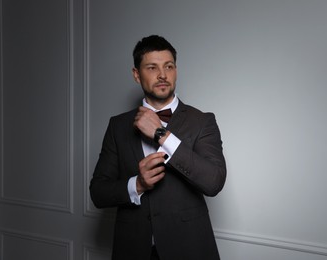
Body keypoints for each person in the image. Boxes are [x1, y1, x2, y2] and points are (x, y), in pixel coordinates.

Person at [90, 35, 226, 260]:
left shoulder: (202, 121)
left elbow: (213, 182)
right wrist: (138, 184)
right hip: (133, 250)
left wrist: (161, 135)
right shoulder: (118, 126)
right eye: (152, 67)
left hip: (189, 249)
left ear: (176, 70)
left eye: (169, 66)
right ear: (136, 75)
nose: (162, 75)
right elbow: (98, 192)